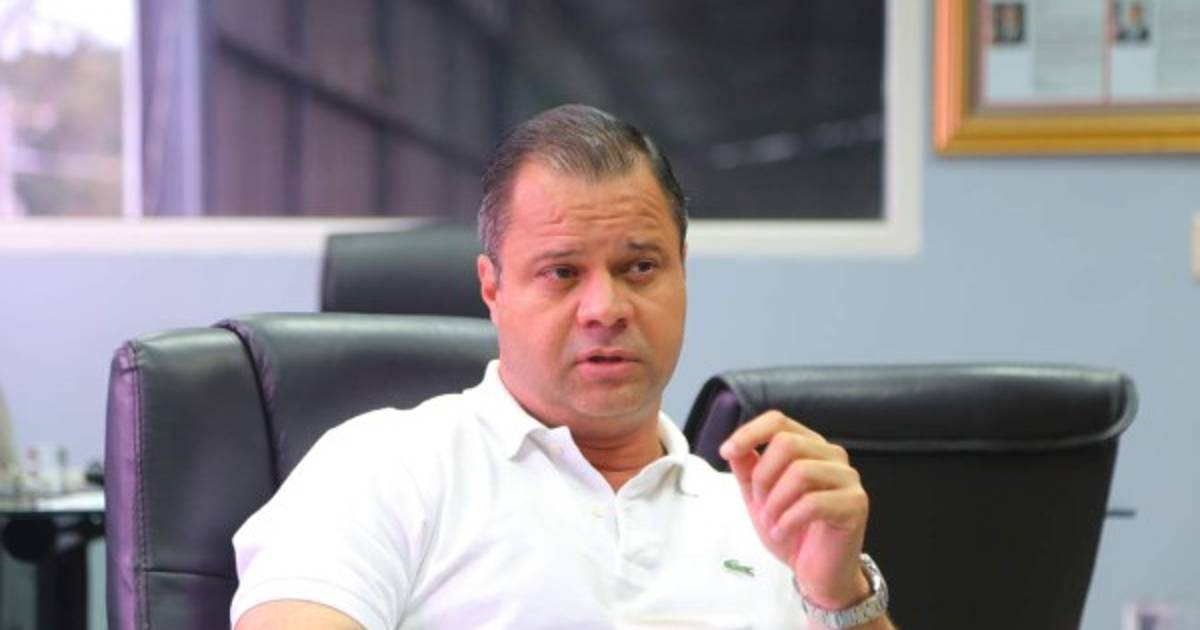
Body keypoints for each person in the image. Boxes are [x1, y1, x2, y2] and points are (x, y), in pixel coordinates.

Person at [231, 104, 895, 629]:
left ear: (682, 273)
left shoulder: (764, 521)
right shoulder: (384, 467)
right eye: (562, 273)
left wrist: (840, 595)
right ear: (492, 288)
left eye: (640, 267)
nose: (606, 309)